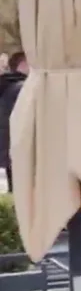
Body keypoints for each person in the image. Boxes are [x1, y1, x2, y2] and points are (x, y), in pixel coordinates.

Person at [0, 52, 28, 192]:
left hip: (8, 152)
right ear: (23, 64)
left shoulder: (6, 85)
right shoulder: (24, 88)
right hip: (22, 151)